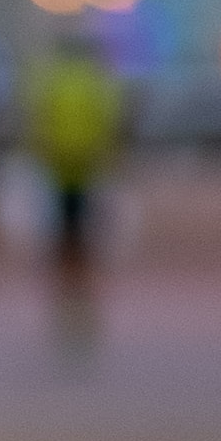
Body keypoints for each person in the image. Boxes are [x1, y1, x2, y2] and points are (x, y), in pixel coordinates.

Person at [23, 33, 129, 347]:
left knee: (63, 241)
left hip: (58, 173)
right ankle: (82, 302)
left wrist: (42, 155)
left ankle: (66, 301)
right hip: (89, 172)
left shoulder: (51, 78)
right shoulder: (96, 80)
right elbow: (110, 123)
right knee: (85, 242)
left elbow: (37, 122)